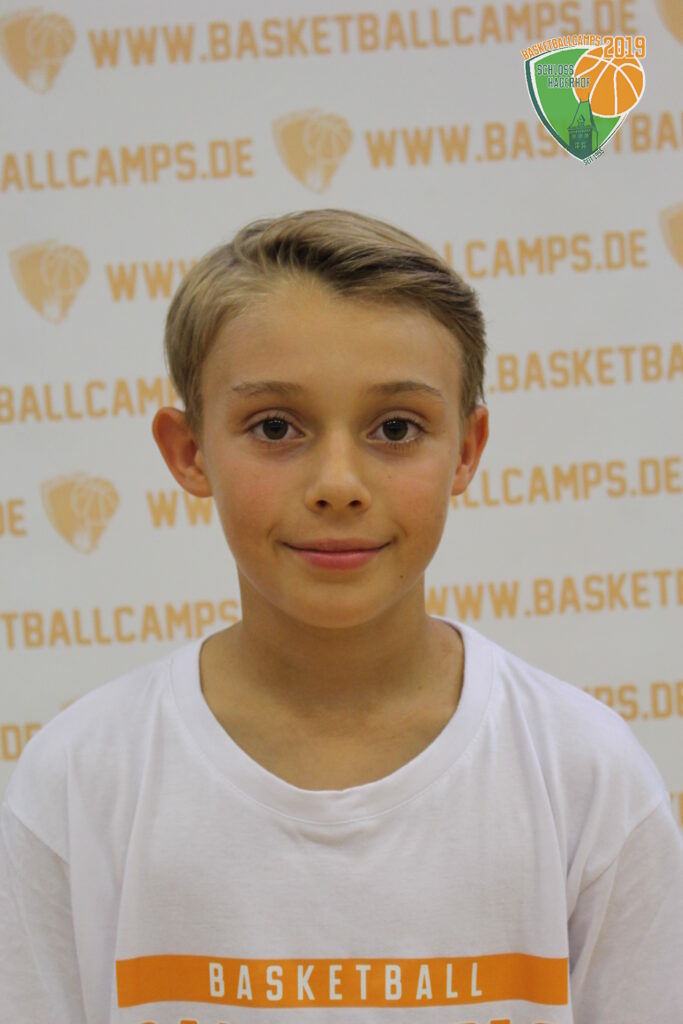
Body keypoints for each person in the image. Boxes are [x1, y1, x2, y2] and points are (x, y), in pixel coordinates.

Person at [0, 209, 681, 1024]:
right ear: (189, 452)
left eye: (395, 428)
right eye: (274, 427)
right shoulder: (80, 781)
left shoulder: (586, 776)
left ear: (465, 451)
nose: (337, 484)